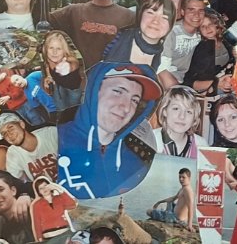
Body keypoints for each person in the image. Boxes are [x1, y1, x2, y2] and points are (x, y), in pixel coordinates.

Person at [56, 62, 160, 199]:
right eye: (118, 92)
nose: (126, 108)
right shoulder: (53, 142)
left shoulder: (137, 167)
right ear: (92, 91)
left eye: (135, 100)